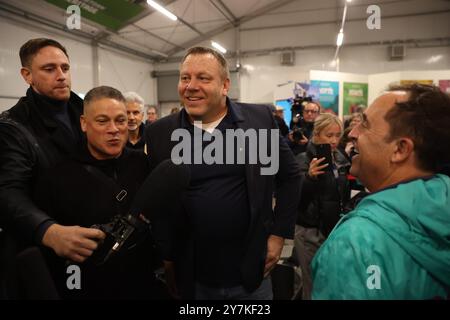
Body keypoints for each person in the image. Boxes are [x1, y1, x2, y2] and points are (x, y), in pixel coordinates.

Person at [145, 46, 300, 300]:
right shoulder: (160, 134)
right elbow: (160, 205)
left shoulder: (258, 121)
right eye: (185, 78)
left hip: (251, 274)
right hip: (193, 277)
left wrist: (279, 234)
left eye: (203, 78)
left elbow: (290, 177)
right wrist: (168, 257)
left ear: (225, 85)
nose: (191, 86)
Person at [312, 84, 450, 299]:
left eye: (364, 125)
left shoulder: (355, 242)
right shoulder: (443, 203)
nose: (353, 134)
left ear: (400, 149)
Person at [34, 86, 164, 299]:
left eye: (120, 121)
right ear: (84, 123)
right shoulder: (58, 177)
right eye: (102, 121)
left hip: (142, 285)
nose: (114, 129)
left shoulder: (143, 164)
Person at [0, 39, 87, 271]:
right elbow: (8, 191)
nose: (61, 76)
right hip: (46, 252)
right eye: (49, 69)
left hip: (91, 239)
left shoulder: (87, 112)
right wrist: (48, 231)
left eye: (65, 68)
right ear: (27, 75)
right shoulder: (12, 127)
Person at [290, 113, 351, 300]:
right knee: (312, 281)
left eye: (337, 135)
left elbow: (343, 193)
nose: (333, 140)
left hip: (333, 229)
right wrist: (309, 178)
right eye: (328, 135)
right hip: (309, 230)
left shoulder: (341, 158)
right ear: (316, 134)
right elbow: (295, 199)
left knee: (328, 280)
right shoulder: (302, 160)